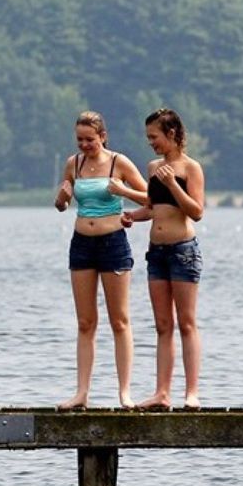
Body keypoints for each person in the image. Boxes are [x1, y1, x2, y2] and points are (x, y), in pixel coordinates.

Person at [54, 111, 149, 410]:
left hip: (113, 244)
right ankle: (82, 393)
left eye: (90, 140)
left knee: (119, 320)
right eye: (80, 140)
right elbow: (61, 204)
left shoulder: (119, 162)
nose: (84, 145)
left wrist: (123, 191)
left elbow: (151, 197)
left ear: (103, 137)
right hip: (82, 244)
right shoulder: (74, 163)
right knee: (85, 322)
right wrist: (63, 195)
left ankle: (124, 393)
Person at [122, 108, 205, 409]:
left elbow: (196, 210)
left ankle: (191, 392)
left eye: (154, 137)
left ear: (171, 134)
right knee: (162, 324)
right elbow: (153, 208)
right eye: (148, 138)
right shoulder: (153, 166)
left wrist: (173, 184)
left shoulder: (190, 168)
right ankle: (162, 392)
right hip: (155, 253)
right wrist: (133, 215)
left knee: (186, 322)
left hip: (183, 251)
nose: (151, 143)